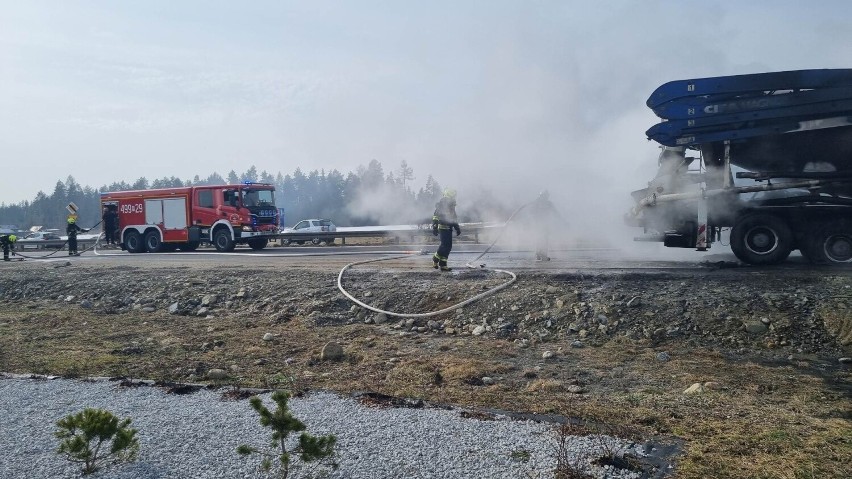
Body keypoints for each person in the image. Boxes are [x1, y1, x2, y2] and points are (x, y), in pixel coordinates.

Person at [431, 188, 461, 271]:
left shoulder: (451, 206)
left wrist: (457, 227)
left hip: (449, 228)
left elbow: (454, 218)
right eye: (453, 196)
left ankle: (443, 265)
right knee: (444, 245)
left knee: (448, 246)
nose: (453, 198)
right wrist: (435, 227)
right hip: (443, 228)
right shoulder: (442, 205)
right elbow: (435, 216)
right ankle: (435, 259)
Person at [530, 190, 562, 261]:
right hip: (538, 224)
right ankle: (538, 254)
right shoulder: (536, 203)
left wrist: (561, 220)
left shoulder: (549, 204)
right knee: (539, 239)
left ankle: (543, 254)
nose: (546, 197)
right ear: (541, 196)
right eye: (545, 196)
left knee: (544, 239)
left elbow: (555, 212)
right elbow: (531, 212)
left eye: (547, 196)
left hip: (545, 224)